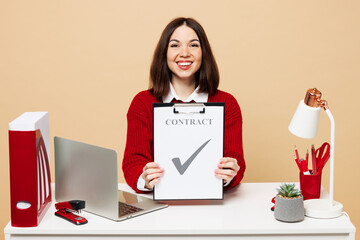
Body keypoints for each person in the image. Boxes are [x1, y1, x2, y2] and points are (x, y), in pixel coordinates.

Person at [122, 17, 246, 193]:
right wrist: (145, 179)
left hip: (211, 204)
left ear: (204, 53)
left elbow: (236, 162)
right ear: (164, 53)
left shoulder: (227, 103)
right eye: (175, 45)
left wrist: (230, 174)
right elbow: (133, 162)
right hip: (158, 206)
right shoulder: (142, 103)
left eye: (193, 45)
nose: (185, 52)